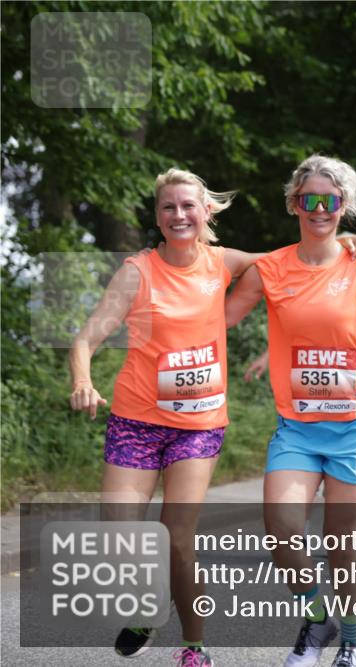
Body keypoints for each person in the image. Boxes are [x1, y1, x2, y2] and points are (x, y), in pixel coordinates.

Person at [225, 155, 356, 667]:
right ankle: (317, 618)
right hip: (299, 428)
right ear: (293, 204)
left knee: (341, 544)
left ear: (344, 207)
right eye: (308, 200)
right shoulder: (270, 269)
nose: (319, 209)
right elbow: (215, 320)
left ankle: (354, 640)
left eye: (329, 201)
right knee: (282, 528)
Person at [69, 168, 261, 667]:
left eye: (188, 206)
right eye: (169, 207)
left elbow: (295, 263)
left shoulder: (223, 263)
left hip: (198, 424)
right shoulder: (138, 271)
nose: (179, 215)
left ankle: (194, 645)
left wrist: (350, 244)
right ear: (158, 216)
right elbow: (87, 338)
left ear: (206, 211)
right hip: (136, 419)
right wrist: (82, 381)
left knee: (177, 537)